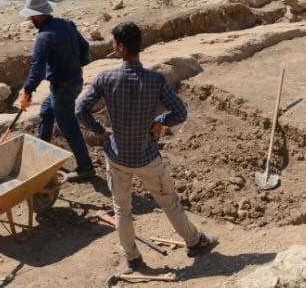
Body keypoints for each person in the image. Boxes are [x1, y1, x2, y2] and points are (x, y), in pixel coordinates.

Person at [76, 21, 217, 271]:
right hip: (147, 156)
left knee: (122, 209)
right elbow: (181, 112)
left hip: (117, 156)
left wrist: (101, 131)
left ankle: (132, 258)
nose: (113, 47)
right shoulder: (155, 80)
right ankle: (194, 242)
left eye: (114, 44)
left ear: (121, 47)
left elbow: (80, 110)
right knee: (169, 202)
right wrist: (161, 121)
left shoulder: (106, 78)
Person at [18, 0, 97, 182]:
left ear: (38, 15)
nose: (30, 20)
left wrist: (27, 91)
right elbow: (85, 46)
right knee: (46, 111)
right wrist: (79, 65)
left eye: (31, 16)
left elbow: (37, 68)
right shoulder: (67, 24)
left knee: (68, 126)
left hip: (62, 87)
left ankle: (86, 167)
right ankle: (41, 155)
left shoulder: (44, 37)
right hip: (73, 82)